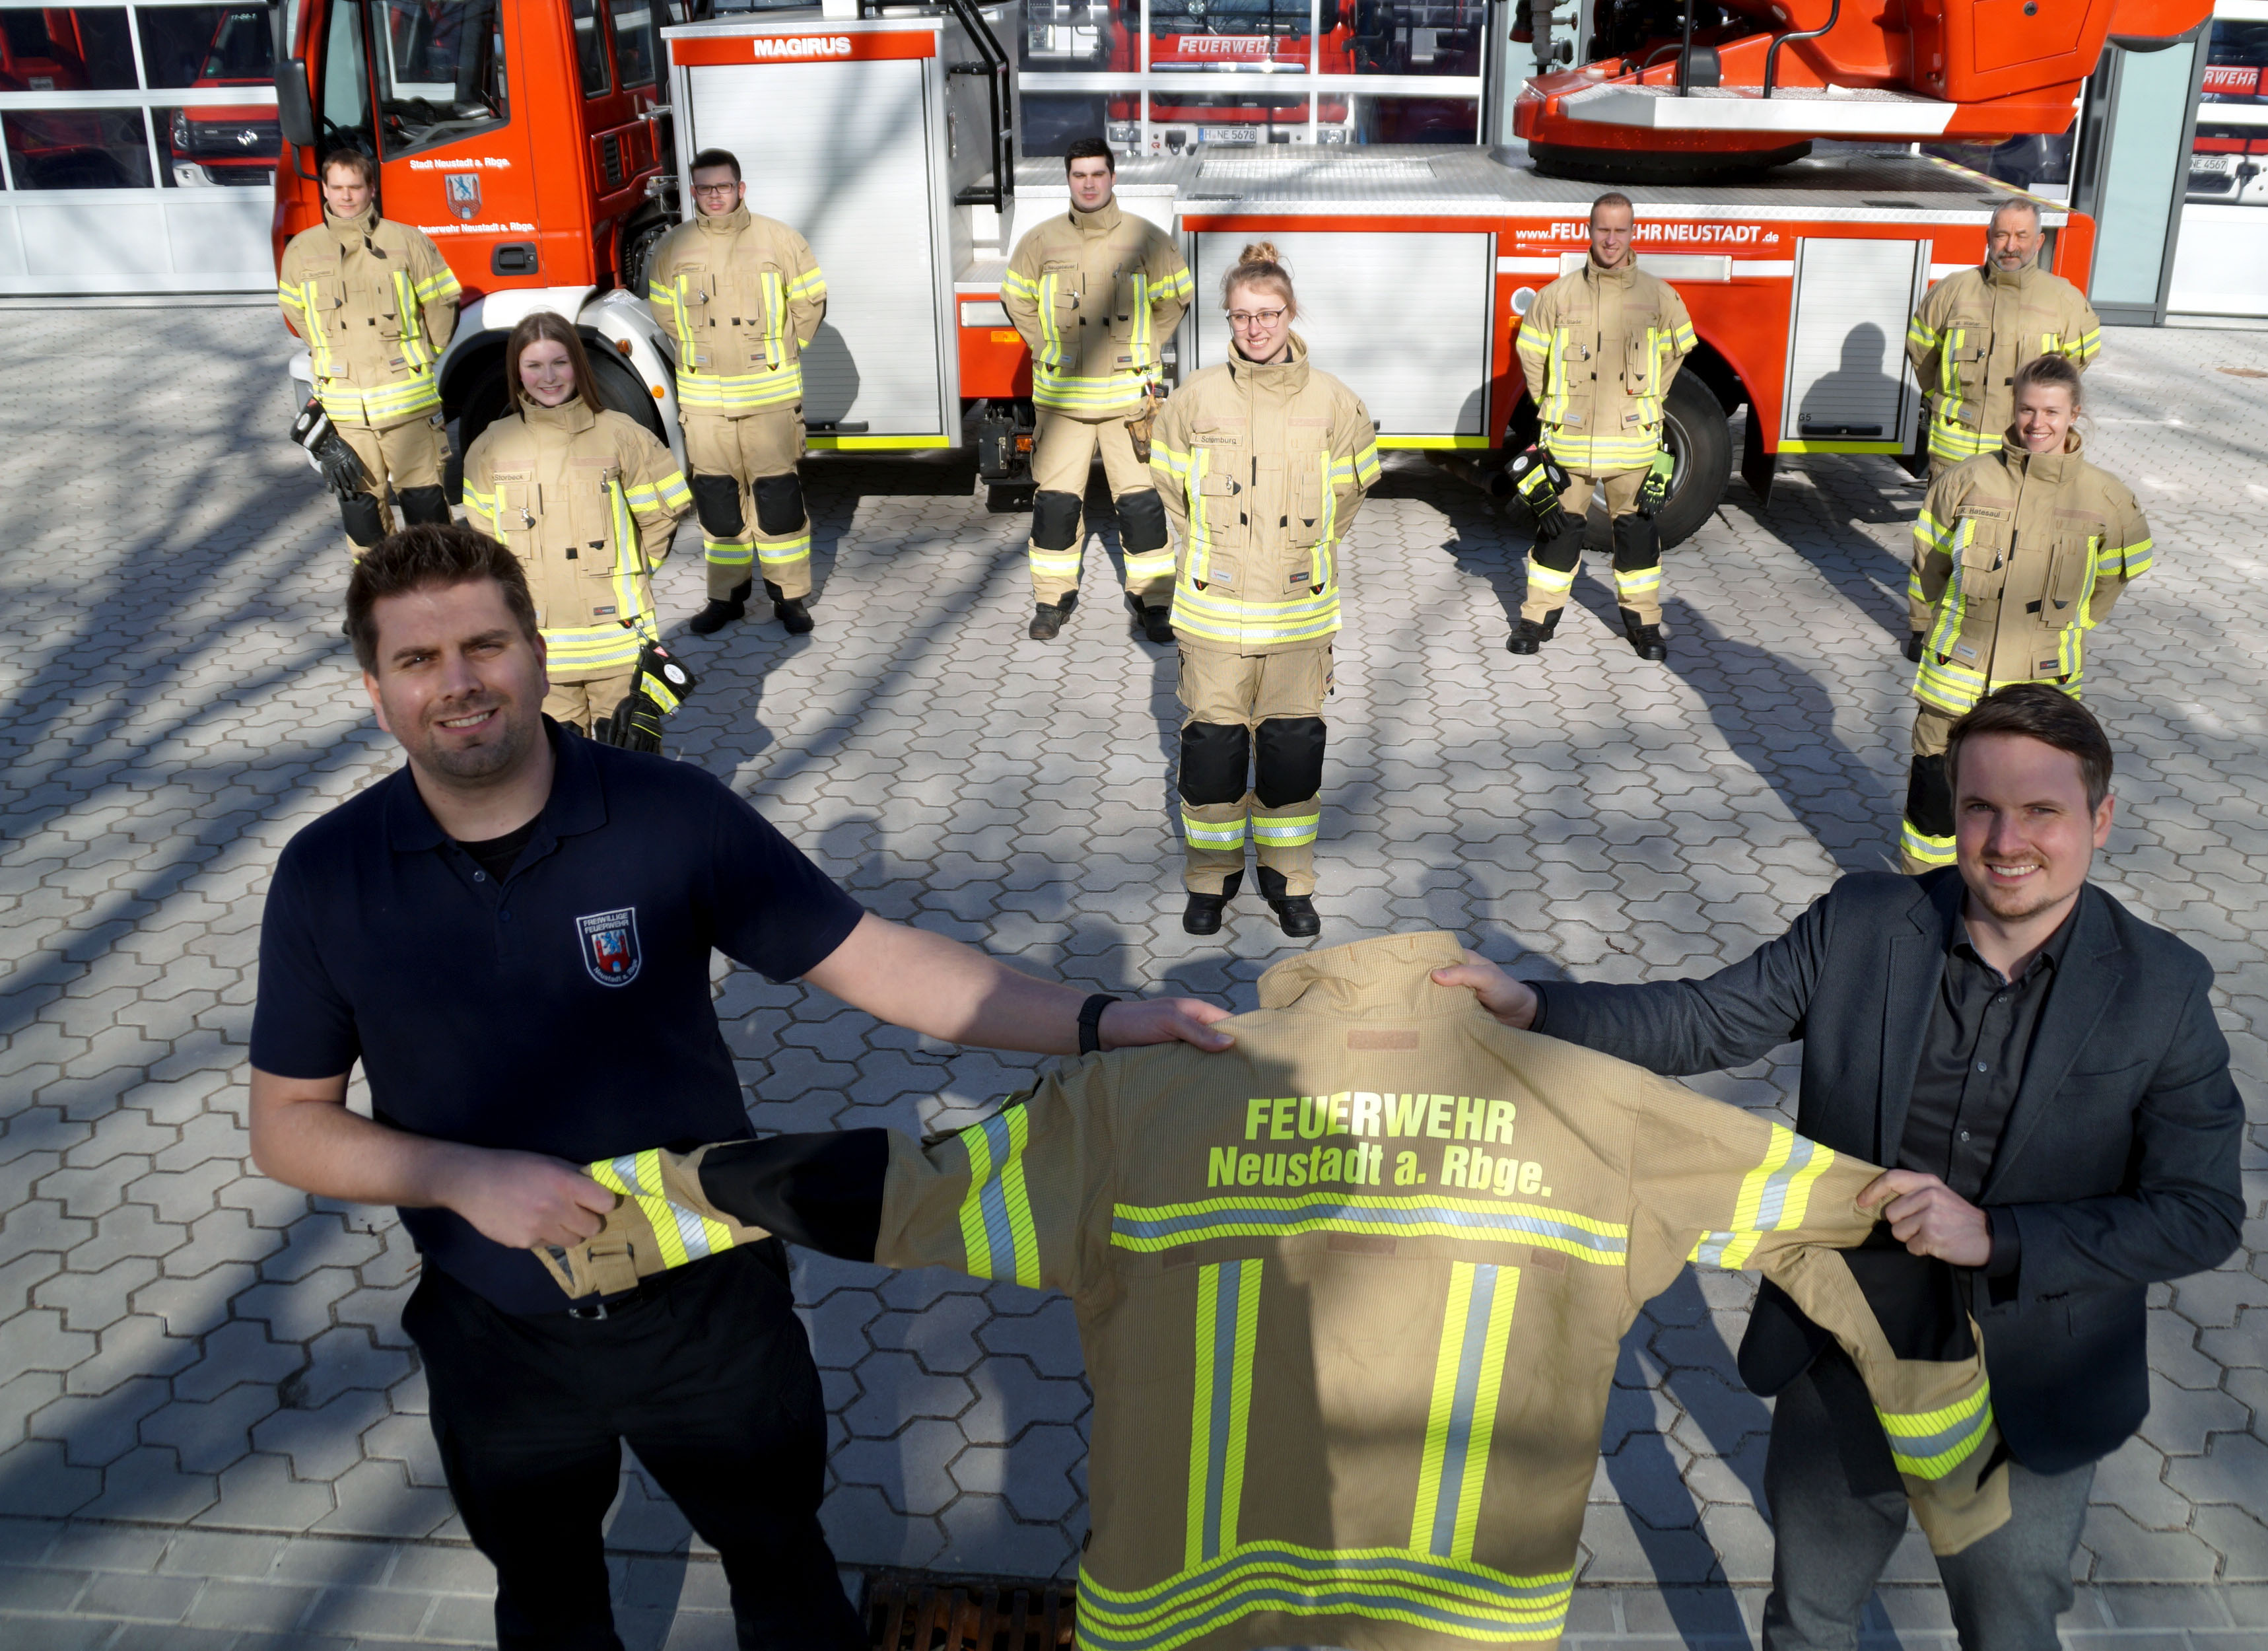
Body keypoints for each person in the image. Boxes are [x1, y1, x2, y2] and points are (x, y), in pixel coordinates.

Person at [246, 522, 1234, 1651]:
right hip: (495, 1336)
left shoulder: (670, 816)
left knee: (782, 1567)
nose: (460, 683)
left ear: (536, 652)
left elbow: (881, 963)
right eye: (419, 661)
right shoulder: (325, 874)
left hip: (710, 1306)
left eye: (485, 645)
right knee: (549, 1598)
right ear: (376, 693)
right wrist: (458, 1176)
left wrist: (1109, 1022)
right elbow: (289, 1127)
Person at [544, 929, 2018, 1651]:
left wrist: (645, 1206)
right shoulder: (1593, 1104)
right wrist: (1954, 1489)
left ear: (1297, 984)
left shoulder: (1139, 1103)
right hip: (1467, 1613)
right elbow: (1868, 1230)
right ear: (1451, 982)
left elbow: (893, 1190)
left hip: (1183, 1607)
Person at [1434, 686, 2245, 1651]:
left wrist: (1999, 1236)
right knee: (1811, 1614)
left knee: (2011, 1623)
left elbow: (2200, 1212)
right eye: (1980, 807)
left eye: (2042, 812)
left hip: (2032, 1386)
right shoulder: (1865, 921)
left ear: (2099, 821)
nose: (2004, 840)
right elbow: (1708, 1019)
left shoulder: (2161, 987)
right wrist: (1536, 1008)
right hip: (1843, 1352)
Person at [1147, 243, 1377, 940]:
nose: (1255, 328)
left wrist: (1297, 554)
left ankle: (1288, 883)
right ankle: (1210, 884)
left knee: (1289, 757)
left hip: (1298, 618)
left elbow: (1352, 492)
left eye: (1268, 314)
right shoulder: (1195, 399)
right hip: (1212, 616)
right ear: (1229, 319)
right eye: (1242, 316)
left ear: (1290, 313)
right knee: (1212, 759)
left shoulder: (1333, 401)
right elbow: (1171, 488)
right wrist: (1217, 555)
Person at [1898, 352, 2150, 872]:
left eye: (2053, 412)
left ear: (2075, 413)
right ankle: (1919, 915)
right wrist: (1923, 627)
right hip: (1954, 687)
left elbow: (2115, 576)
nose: (2039, 424)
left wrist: (2072, 628)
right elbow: (1930, 566)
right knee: (1933, 819)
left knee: (2020, 821)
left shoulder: (2107, 498)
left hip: (2041, 697)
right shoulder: (1967, 481)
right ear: (2014, 409)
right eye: (2029, 410)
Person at [458, 313, 692, 740]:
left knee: (628, 767)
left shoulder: (622, 435)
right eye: (534, 366)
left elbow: (662, 519)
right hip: (540, 650)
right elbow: (486, 546)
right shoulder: (491, 446)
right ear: (516, 373)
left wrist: (630, 574)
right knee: (560, 774)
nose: (548, 377)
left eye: (559, 363)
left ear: (579, 367)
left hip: (618, 643)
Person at [1002, 137, 1192, 643]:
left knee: (1142, 506)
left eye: (1097, 174)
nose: (1088, 183)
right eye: (1079, 175)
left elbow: (1176, 297)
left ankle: (1153, 601)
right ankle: (1052, 598)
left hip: (1130, 401)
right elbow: (1016, 299)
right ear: (1068, 180)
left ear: (1112, 178)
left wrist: (1147, 346)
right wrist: (1045, 348)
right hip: (1063, 404)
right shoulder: (1039, 242)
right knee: (1057, 505)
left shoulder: (1147, 239)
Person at [1508, 191, 1698, 660]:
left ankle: (1646, 627)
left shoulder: (1659, 296)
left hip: (1633, 448)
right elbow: (1531, 353)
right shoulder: (1559, 295)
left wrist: (1651, 401)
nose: (1611, 240)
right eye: (1602, 229)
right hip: (1569, 445)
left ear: (1634, 233)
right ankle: (1536, 621)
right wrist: (1550, 403)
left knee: (1637, 539)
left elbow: (1678, 352)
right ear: (1588, 231)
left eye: (1620, 230)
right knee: (1558, 532)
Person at [646, 149, 827, 636]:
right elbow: (664, 312)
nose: (714, 196)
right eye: (704, 188)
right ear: (694, 192)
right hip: (705, 405)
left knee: (779, 503)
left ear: (740, 188)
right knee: (718, 504)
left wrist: (786, 352)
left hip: (769, 400)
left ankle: (789, 599)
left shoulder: (779, 240)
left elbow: (811, 301)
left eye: (723, 187)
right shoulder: (673, 247)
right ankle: (726, 598)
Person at [277, 147, 458, 557]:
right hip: (344, 408)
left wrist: (421, 354)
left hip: (406, 402)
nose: (345, 197)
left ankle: (439, 586)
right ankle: (374, 594)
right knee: (359, 505)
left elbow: (441, 305)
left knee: (425, 501)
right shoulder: (301, 251)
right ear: (324, 188)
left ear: (371, 189)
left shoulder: (407, 241)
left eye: (354, 187)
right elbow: (297, 315)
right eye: (337, 187)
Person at [1905, 199, 2102, 485]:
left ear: (2039, 241)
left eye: (2022, 236)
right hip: (1955, 459)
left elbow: (2072, 370)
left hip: (2027, 455)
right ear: (1988, 237)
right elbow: (1922, 354)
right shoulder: (1952, 292)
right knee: (1945, 529)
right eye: (2002, 235)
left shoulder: (2065, 300)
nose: (2011, 246)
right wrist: (1952, 400)